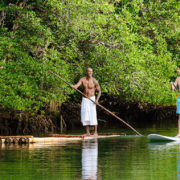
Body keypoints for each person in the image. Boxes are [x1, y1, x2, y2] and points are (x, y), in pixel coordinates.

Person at [71, 68, 101, 136]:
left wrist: (97, 100)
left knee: (93, 115)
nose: (90, 73)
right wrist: (74, 86)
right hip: (85, 99)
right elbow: (77, 85)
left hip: (92, 99)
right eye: (89, 71)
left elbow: (99, 91)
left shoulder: (94, 81)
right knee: (85, 115)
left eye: (91, 72)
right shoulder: (82, 79)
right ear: (86, 72)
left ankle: (95, 132)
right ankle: (87, 132)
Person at [170, 65, 180, 137]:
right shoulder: (177, 78)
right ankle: (179, 134)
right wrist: (171, 85)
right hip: (179, 99)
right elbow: (173, 89)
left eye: (178, 69)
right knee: (179, 116)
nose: (177, 71)